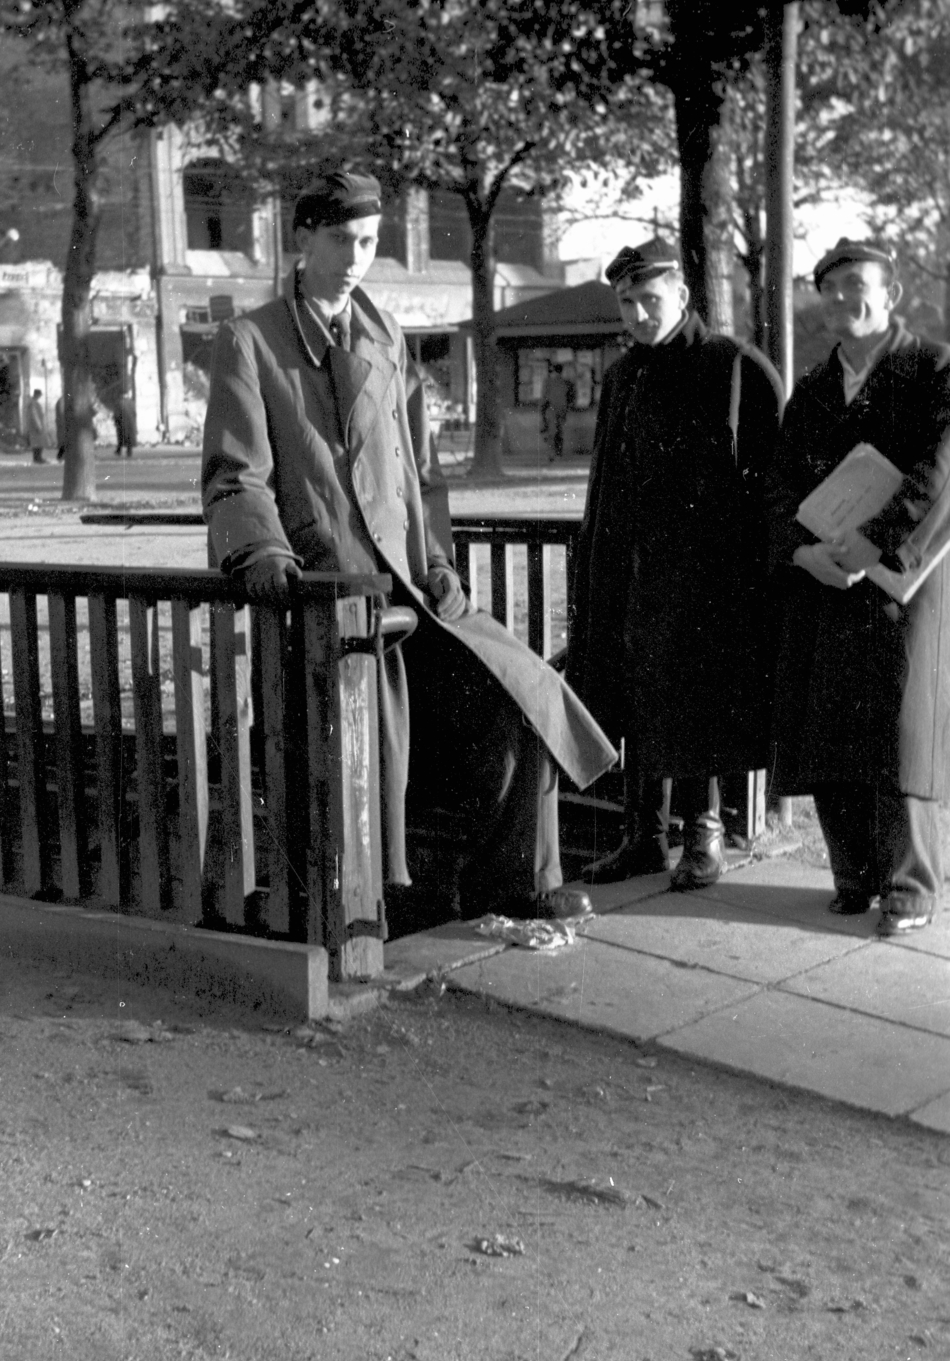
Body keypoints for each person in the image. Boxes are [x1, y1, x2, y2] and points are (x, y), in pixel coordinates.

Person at [201, 166, 617, 924]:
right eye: (340, 239)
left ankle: (514, 881)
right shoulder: (251, 340)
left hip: (412, 594)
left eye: (368, 240)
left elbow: (418, 475)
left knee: (520, 691)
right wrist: (261, 552)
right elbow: (235, 473)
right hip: (329, 599)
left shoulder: (384, 334)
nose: (357, 255)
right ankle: (370, 911)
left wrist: (437, 562)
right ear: (303, 239)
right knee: (368, 748)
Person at [566, 238, 784, 889]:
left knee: (696, 705)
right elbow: (606, 482)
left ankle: (703, 836)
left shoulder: (732, 365)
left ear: (682, 296)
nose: (637, 314)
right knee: (633, 696)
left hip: (709, 581)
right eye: (626, 302)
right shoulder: (621, 376)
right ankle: (643, 837)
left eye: (649, 299)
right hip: (633, 574)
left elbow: (774, 483)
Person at [767, 238, 950, 937]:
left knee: (901, 728)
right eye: (829, 288)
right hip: (824, 575)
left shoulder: (931, 367)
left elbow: (939, 470)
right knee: (829, 723)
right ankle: (853, 874)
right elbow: (780, 484)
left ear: (890, 293)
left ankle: (910, 882)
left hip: (902, 576)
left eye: (856, 284)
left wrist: (874, 542)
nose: (841, 299)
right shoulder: (812, 388)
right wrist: (800, 549)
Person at [541, 362, 574, 461]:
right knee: (559, 431)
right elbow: (570, 397)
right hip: (562, 409)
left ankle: (552, 454)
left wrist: (542, 412)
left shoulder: (548, 382)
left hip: (552, 409)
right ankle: (558, 452)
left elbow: (544, 397)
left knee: (552, 432)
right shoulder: (566, 382)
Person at [25, 388, 50, 464]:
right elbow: (34, 415)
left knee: (37, 443)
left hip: (34, 426)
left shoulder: (32, 403)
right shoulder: (33, 404)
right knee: (38, 443)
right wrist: (38, 426)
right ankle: (38, 458)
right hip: (36, 427)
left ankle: (37, 458)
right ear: (37, 395)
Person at [113, 389, 137, 457]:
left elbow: (117, 414)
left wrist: (116, 422)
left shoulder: (119, 403)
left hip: (122, 423)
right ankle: (129, 451)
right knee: (129, 437)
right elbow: (135, 413)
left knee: (121, 437)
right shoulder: (131, 402)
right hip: (131, 422)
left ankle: (119, 450)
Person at [54, 395, 66, 461]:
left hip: (62, 423)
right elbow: (62, 412)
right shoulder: (62, 401)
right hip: (63, 423)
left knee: (63, 440)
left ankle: (61, 455)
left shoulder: (61, 400)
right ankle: (60, 456)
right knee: (63, 441)